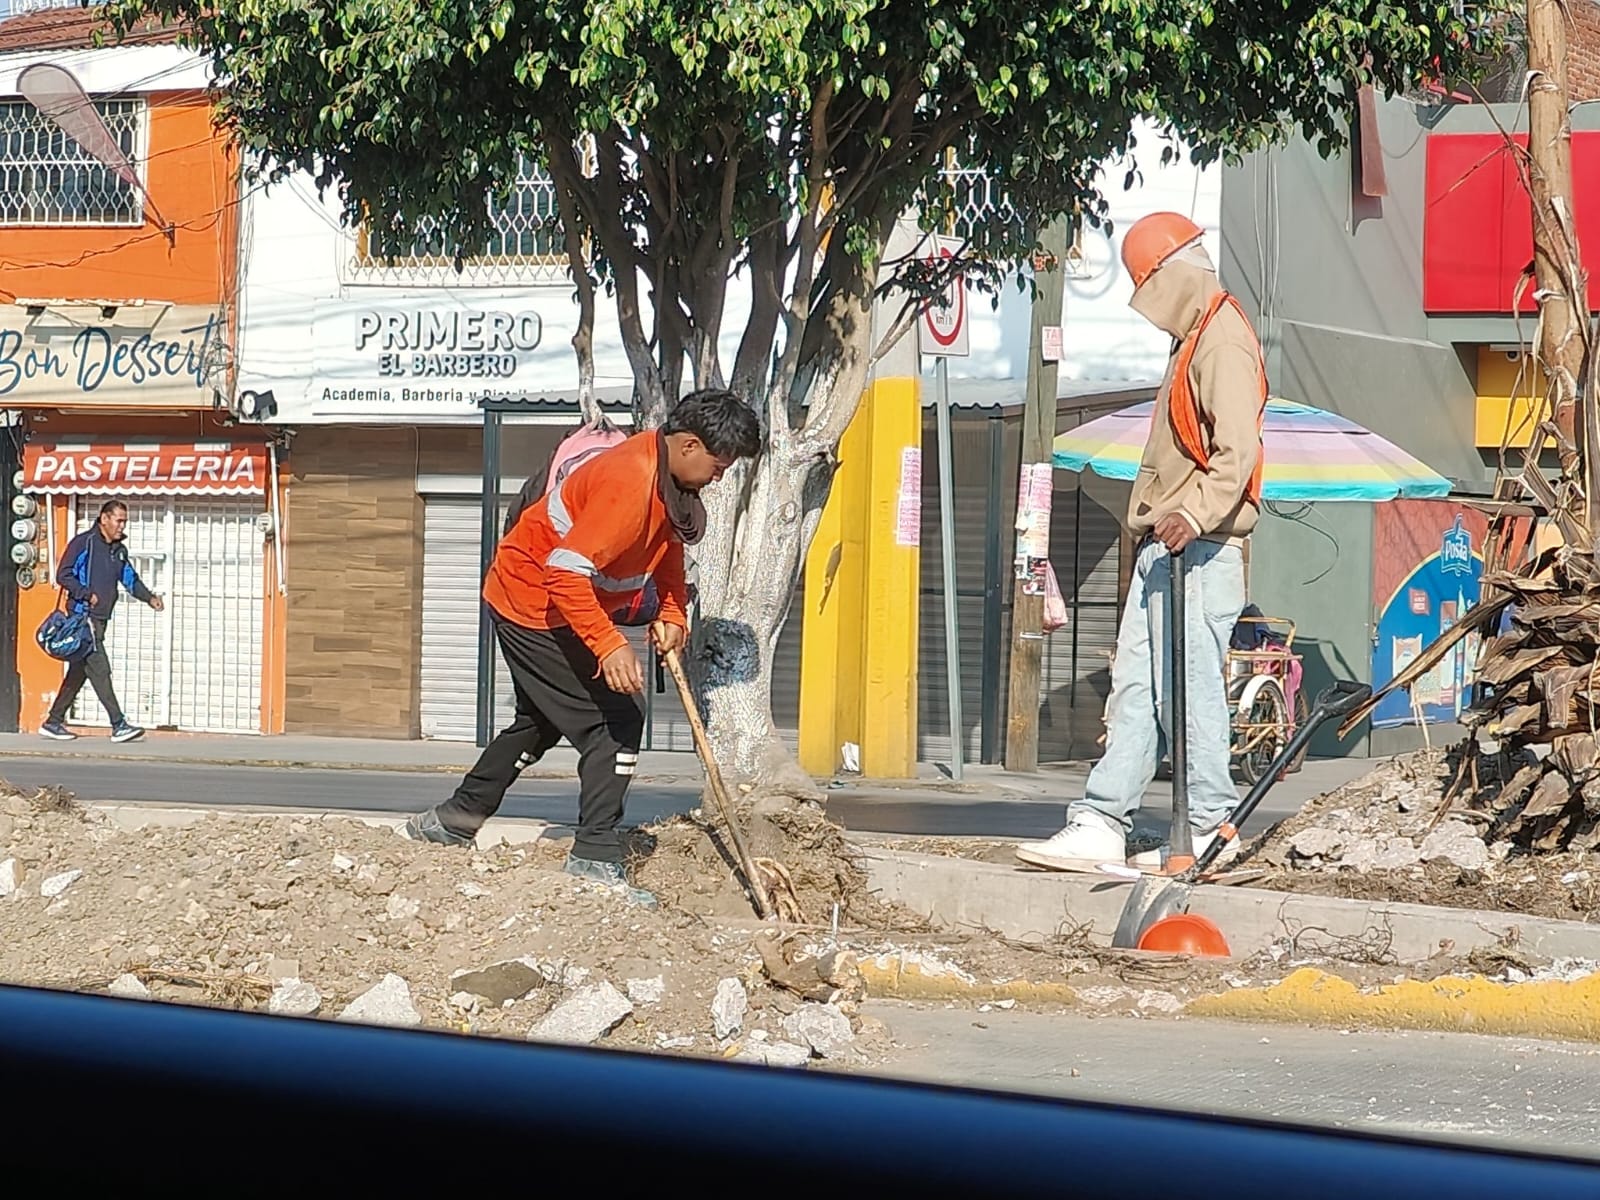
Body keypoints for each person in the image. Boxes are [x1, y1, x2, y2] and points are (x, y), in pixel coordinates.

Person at [403, 389, 763, 907]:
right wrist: (609, 645)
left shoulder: (668, 479)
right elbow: (564, 573)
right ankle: (594, 855)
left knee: (542, 721)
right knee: (614, 722)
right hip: (532, 602)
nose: (720, 476)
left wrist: (672, 614)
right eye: (719, 464)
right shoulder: (630, 483)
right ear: (688, 445)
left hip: (563, 604)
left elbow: (667, 551)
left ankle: (453, 820)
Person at [1016, 212, 1267, 874]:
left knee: (1188, 694)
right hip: (1171, 550)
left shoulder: (1222, 342)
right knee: (1138, 688)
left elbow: (1236, 453)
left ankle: (1213, 826)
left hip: (1201, 552)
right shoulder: (1194, 342)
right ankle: (1103, 821)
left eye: (1147, 284)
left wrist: (1197, 512)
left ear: (1170, 272)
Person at [40, 500, 165, 744]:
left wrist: (149, 597)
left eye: (124, 521)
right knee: (100, 669)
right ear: (104, 519)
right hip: (82, 618)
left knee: (79, 672)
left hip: (101, 619)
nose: (122, 526)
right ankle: (118, 724)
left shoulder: (118, 550)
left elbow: (129, 579)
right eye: (119, 520)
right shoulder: (84, 543)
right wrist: (86, 593)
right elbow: (63, 574)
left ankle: (53, 721)